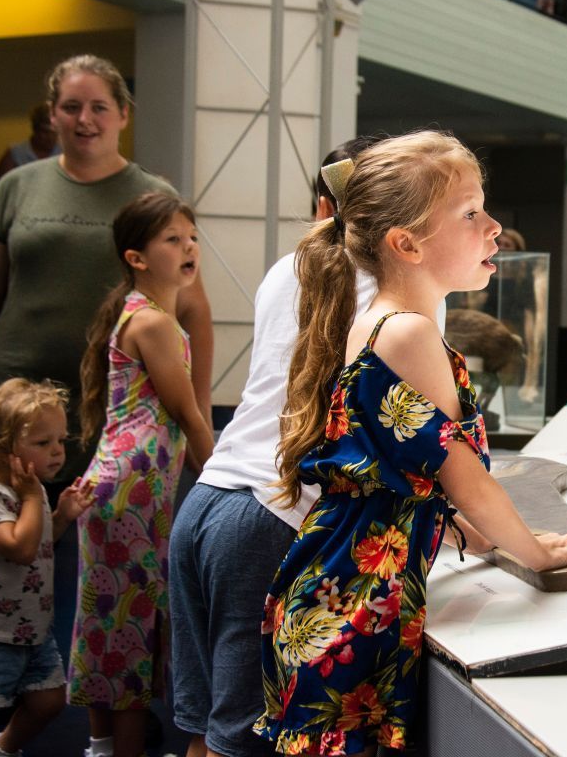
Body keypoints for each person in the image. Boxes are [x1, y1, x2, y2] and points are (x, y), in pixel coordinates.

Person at [253, 131, 567, 756]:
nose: (494, 227)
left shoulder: (385, 322)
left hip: (338, 594)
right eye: (470, 214)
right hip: (349, 606)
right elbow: (465, 480)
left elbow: (410, 491)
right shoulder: (408, 332)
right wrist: (535, 556)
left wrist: (490, 540)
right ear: (406, 244)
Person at [168, 138, 429, 757]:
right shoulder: (390, 294)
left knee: (207, 733)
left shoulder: (287, 268)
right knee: (241, 740)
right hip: (270, 513)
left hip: (205, 503)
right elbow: (407, 436)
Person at [0, 54, 213, 484]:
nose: (85, 119)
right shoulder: (17, 186)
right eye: (71, 107)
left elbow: (193, 309)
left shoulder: (154, 197)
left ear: (122, 114)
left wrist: (199, 415)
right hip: (15, 394)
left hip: (114, 401)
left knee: (95, 535)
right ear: (53, 115)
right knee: (7, 529)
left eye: (99, 107)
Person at [67, 191, 215, 757]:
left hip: (130, 485)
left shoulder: (149, 314)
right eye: (173, 239)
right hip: (132, 490)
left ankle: (103, 746)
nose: (188, 248)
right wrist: (218, 474)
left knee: (115, 616)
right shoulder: (152, 322)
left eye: (192, 238)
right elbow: (186, 412)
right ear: (136, 257)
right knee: (128, 622)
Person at [0, 378, 93, 757]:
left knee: (49, 701)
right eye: (43, 443)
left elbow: (40, 540)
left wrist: (60, 516)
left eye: (60, 440)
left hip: (29, 630)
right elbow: (21, 550)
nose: (57, 452)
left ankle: (3, 748)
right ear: (1, 447)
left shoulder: (34, 489)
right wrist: (31, 498)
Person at [0, 104, 61, 189]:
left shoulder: (64, 154)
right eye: (45, 132)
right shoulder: (15, 155)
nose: (50, 137)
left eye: (54, 132)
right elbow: (0, 193)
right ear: (35, 130)